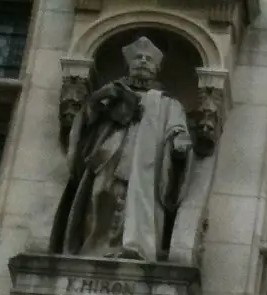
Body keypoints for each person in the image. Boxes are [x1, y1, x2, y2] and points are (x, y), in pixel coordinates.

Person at [52, 36, 192, 262]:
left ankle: (132, 247)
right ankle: (95, 247)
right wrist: (101, 102)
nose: (143, 62)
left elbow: (177, 128)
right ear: (129, 64)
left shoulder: (167, 103)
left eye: (148, 59)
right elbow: (86, 124)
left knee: (132, 203)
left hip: (144, 167)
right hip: (108, 157)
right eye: (138, 58)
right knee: (100, 196)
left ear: (156, 68)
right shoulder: (112, 92)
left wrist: (179, 143)